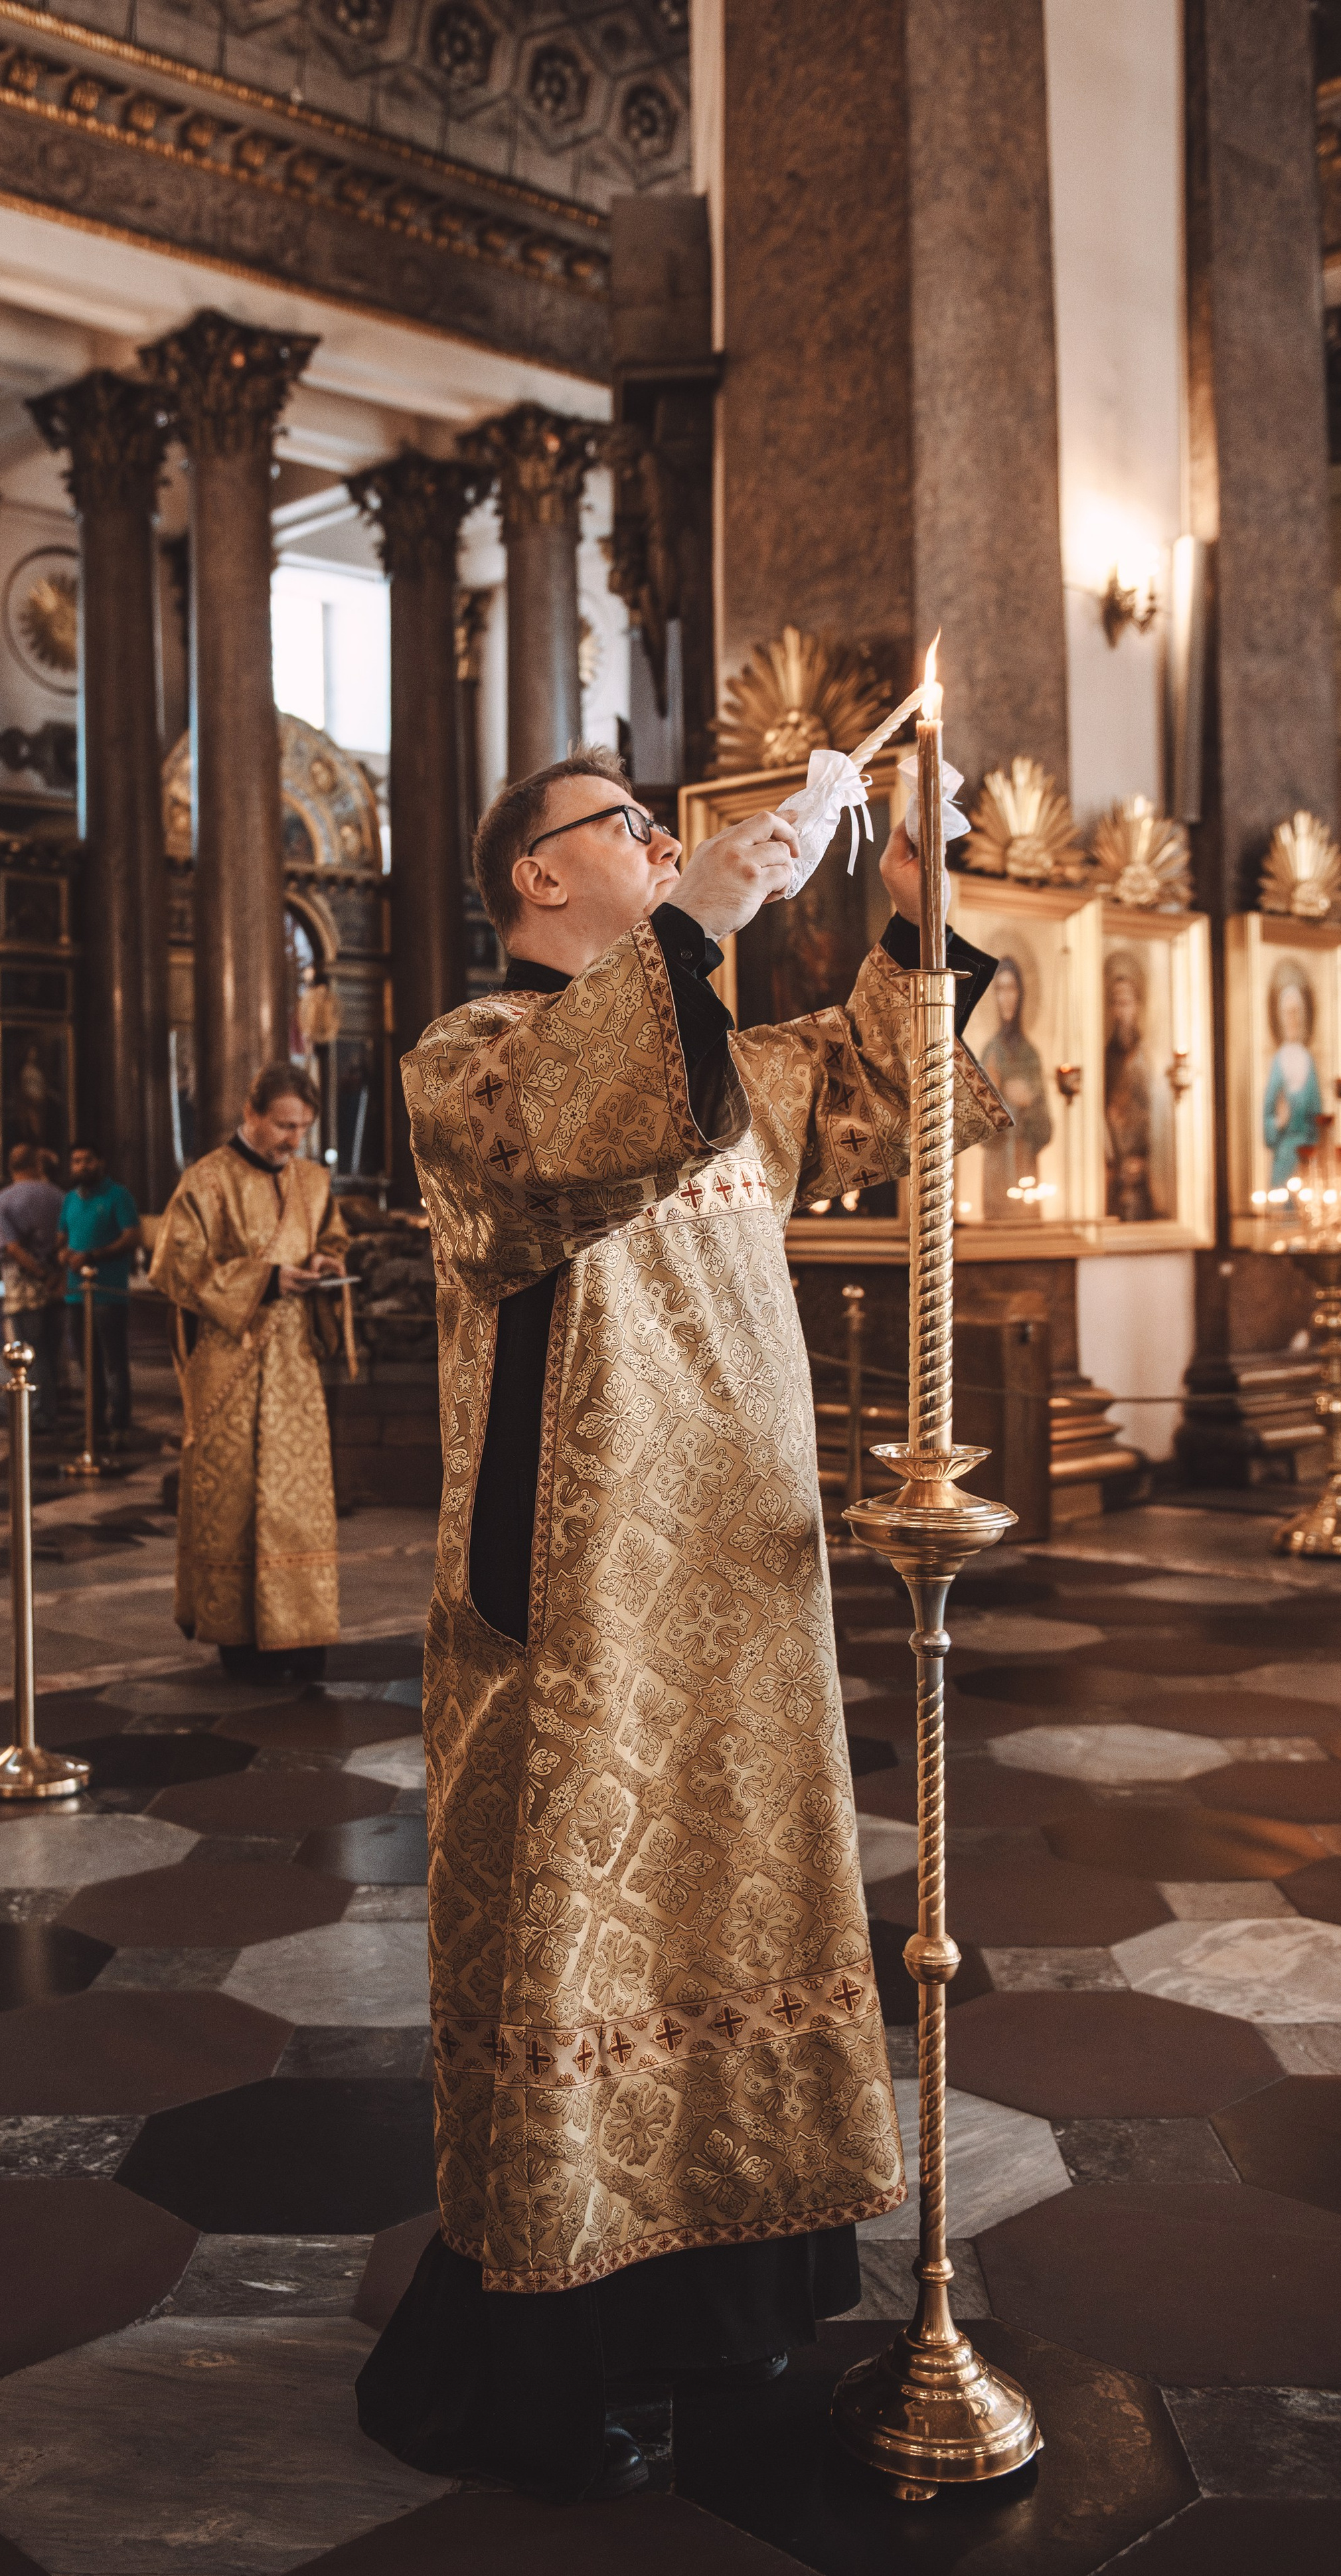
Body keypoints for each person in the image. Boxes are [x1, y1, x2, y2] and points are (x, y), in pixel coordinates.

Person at [357, 748, 1007, 2504]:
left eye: (667, 823)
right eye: (622, 827)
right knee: (595, 1939)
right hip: (579, 1598)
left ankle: (736, 2308)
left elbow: (887, 1100)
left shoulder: (719, 1056)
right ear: (535, 878)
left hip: (743, 1574)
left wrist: (915, 917)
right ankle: (560, 2343)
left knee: (749, 1908)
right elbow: (554, 1134)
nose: (660, 839)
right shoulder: (467, 1053)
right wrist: (707, 909)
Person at [149, 1063, 350, 1686]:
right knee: (232, 1499)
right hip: (229, 1363)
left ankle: (300, 1637)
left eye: (303, 1128)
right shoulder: (206, 1181)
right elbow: (175, 1266)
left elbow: (335, 1239)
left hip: (293, 1366)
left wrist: (322, 1261)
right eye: (284, 1125)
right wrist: (264, 1280)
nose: (294, 1139)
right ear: (252, 1113)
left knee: (298, 1501)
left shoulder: (315, 1182)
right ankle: (238, 1638)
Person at [58, 1143, 140, 1442]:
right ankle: (94, 1421)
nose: (81, 1166)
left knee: (113, 1361)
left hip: (108, 1292)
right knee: (85, 1361)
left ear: (100, 1162)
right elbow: (62, 1236)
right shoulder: (69, 1199)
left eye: (87, 1160)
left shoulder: (118, 1195)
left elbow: (132, 1236)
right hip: (75, 1294)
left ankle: (120, 1422)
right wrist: (64, 1254)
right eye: (76, 1161)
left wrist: (93, 1256)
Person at [0, 1141, 66, 1434]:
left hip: (24, 1288)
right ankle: (53, 1405)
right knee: (53, 1349)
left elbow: (11, 1247)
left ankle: (40, 1412)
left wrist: (38, 1272)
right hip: (58, 1283)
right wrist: (53, 1274)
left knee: (31, 1352)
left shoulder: (3, 1200)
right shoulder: (59, 1196)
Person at [977, 951, 1052, 1220]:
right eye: (1000, 989)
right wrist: (997, 1098)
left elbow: (1046, 1130)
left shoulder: (1031, 1056)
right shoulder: (990, 1054)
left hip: (1026, 1176)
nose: (1006, 997)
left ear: (1021, 994)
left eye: (1011, 989)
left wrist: (1028, 1106)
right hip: (996, 1177)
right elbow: (979, 1133)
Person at [1103, 953, 1160, 1222]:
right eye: (1116, 1003)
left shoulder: (1146, 1057)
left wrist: (1143, 1156)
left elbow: (1155, 1112)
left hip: (1143, 1159)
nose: (1121, 1011)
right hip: (1114, 1158)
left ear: (1138, 1005)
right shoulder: (1107, 1056)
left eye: (1126, 1003)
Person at [1264, 962, 1322, 1191]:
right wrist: (1279, 1122)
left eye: (1297, 1012)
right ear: (1279, 1015)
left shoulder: (1309, 1061)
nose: (1292, 1019)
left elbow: (1318, 1118)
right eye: (1287, 1012)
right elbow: (1267, 1123)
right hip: (1283, 1159)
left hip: (1308, 1161)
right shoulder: (1277, 1063)